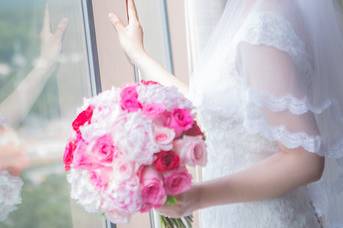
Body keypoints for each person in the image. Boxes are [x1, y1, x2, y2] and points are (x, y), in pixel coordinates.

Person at [109, 0, 343, 227]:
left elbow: (305, 159)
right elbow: (216, 109)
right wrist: (138, 55)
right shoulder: (250, 11)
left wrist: (199, 197)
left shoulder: (263, 29)